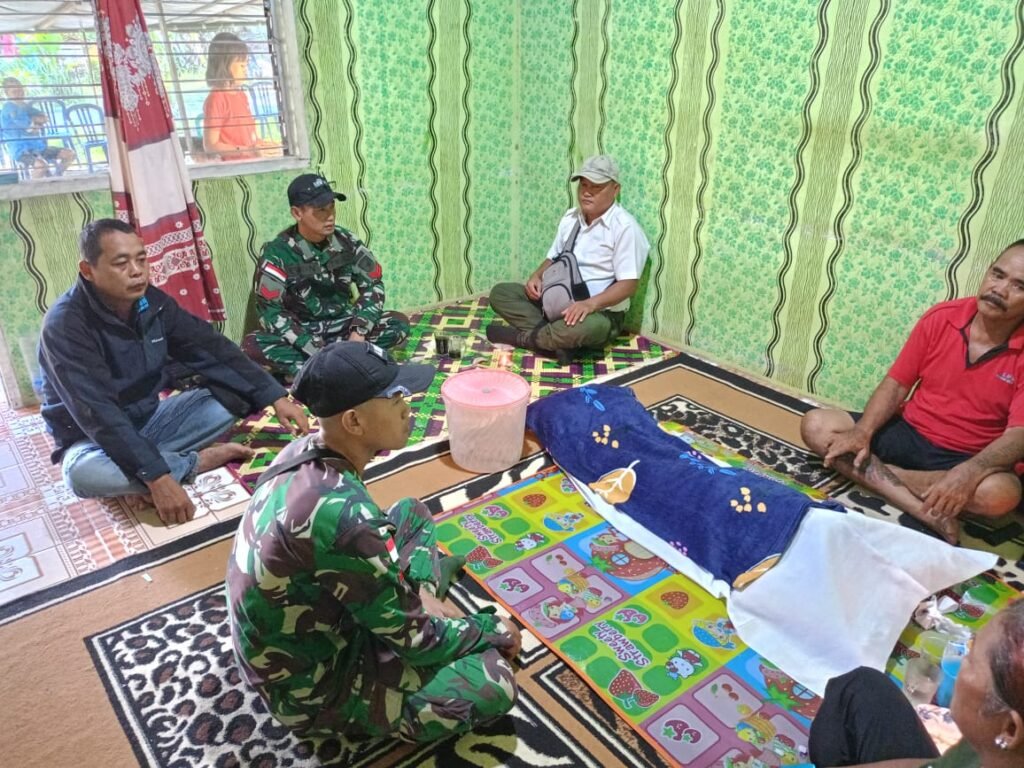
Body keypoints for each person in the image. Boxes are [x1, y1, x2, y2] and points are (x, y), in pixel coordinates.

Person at [227, 341, 521, 742]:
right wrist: (493, 629)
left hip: (321, 617)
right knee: (493, 682)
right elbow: (417, 643)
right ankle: (413, 611)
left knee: (411, 513)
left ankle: (415, 600)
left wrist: (414, 601)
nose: (408, 407)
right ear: (354, 421)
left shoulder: (302, 450)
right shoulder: (344, 517)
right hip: (310, 685)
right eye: (396, 398)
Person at [38, 218, 309, 525]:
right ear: (88, 270)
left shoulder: (150, 303)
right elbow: (98, 413)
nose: (137, 271)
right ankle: (192, 462)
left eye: (141, 259)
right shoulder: (65, 325)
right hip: (91, 438)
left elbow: (209, 347)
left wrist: (275, 396)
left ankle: (139, 470)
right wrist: (157, 478)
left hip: (150, 420)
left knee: (238, 391)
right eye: (121, 263)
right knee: (82, 475)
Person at [801, 240, 1024, 544]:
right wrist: (863, 431)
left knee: (1000, 495)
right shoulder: (942, 317)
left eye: (1018, 286)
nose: (1000, 290)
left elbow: (1018, 434)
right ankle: (923, 509)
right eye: (997, 274)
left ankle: (874, 474)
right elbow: (896, 385)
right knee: (815, 424)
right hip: (909, 430)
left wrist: (971, 471)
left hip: (968, 454)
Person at [808, 599, 1024, 766]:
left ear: (1011, 729)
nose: (962, 659)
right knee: (863, 685)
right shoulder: (988, 745)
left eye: (971, 659)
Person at [486, 154, 650, 364]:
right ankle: (557, 342)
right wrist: (536, 276)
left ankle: (522, 338)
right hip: (556, 301)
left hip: (597, 313)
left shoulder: (625, 228)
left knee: (591, 327)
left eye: (596, 187)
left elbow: (628, 285)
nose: (587, 192)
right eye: (584, 185)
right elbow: (554, 256)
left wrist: (589, 305)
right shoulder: (571, 218)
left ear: (615, 189)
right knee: (501, 293)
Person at [243, 173, 410, 377]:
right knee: (253, 346)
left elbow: (372, 285)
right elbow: (270, 312)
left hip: (344, 326)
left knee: (397, 323)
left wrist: (359, 332)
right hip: (303, 333)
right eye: (321, 210)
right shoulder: (277, 253)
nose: (330, 216)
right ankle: (347, 365)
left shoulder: (346, 240)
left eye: (332, 207)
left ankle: (319, 370)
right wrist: (313, 347)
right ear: (297, 213)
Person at [202, 32, 271, 161]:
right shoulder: (216, 99)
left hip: (251, 161)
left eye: (246, 65)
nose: (246, 70)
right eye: (242, 65)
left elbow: (249, 136)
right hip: (235, 165)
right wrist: (247, 150)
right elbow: (211, 145)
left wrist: (262, 146)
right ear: (225, 65)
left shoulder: (241, 95)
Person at [0, 77, 75, 178]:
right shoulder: (8, 109)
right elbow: (28, 127)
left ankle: (56, 177)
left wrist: (35, 122)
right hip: (20, 150)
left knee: (69, 154)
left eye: (21, 90)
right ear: (7, 94)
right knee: (41, 165)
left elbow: (44, 118)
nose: (20, 94)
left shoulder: (25, 106)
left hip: (38, 146)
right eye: (15, 92)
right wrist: (35, 122)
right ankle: (32, 186)